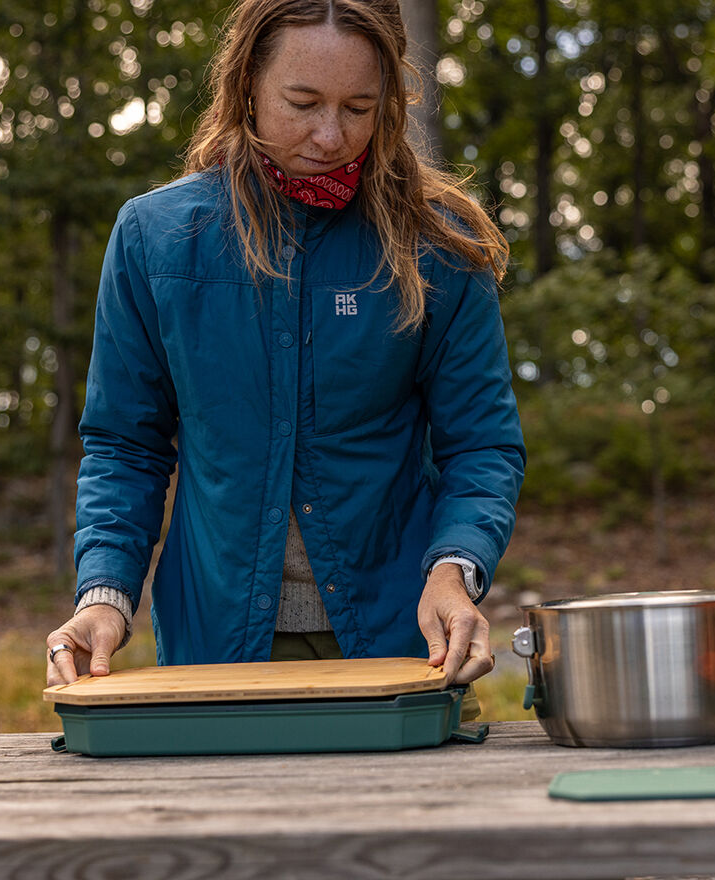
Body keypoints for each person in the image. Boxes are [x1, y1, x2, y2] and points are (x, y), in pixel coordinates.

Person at [45, 0, 526, 711]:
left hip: (404, 644)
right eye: (302, 103)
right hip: (218, 644)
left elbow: (481, 445)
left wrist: (455, 570)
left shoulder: (441, 246)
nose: (330, 136)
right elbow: (126, 445)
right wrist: (106, 594)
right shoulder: (154, 238)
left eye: (358, 107)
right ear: (246, 85)